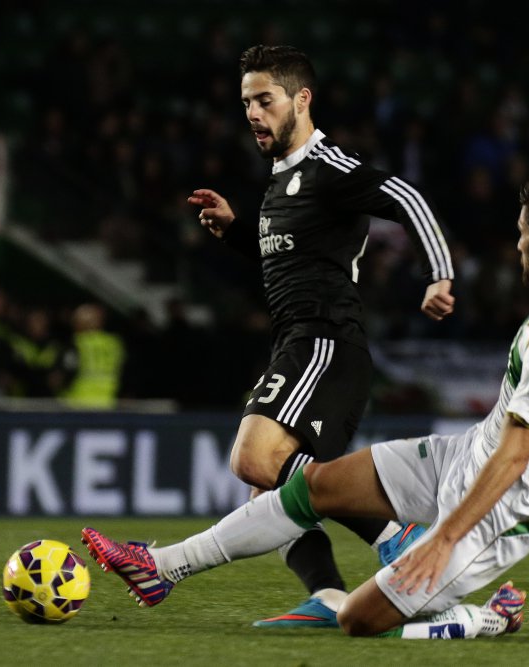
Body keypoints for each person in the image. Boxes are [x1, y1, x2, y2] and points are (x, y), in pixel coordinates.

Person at [82, 44, 529, 639]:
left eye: (522, 236)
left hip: (500, 513)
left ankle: (484, 617)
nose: (516, 245)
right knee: (310, 484)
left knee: (358, 619)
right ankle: (162, 568)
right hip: (462, 455)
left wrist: (444, 538)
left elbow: (515, 460)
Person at [183, 45, 457, 627]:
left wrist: (440, 273)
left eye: (265, 100)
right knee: (269, 493)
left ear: (301, 100)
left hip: (325, 340)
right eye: (246, 103)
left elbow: (407, 198)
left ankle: (394, 534)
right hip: (301, 341)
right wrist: (237, 231)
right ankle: (329, 596)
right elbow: (287, 258)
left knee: (255, 459)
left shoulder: (329, 167)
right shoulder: (282, 179)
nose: (253, 113)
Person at [58, 302, 126, 409]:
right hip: (108, 403)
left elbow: (64, 374)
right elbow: (124, 370)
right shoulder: (114, 344)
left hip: (77, 403)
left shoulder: (76, 343)